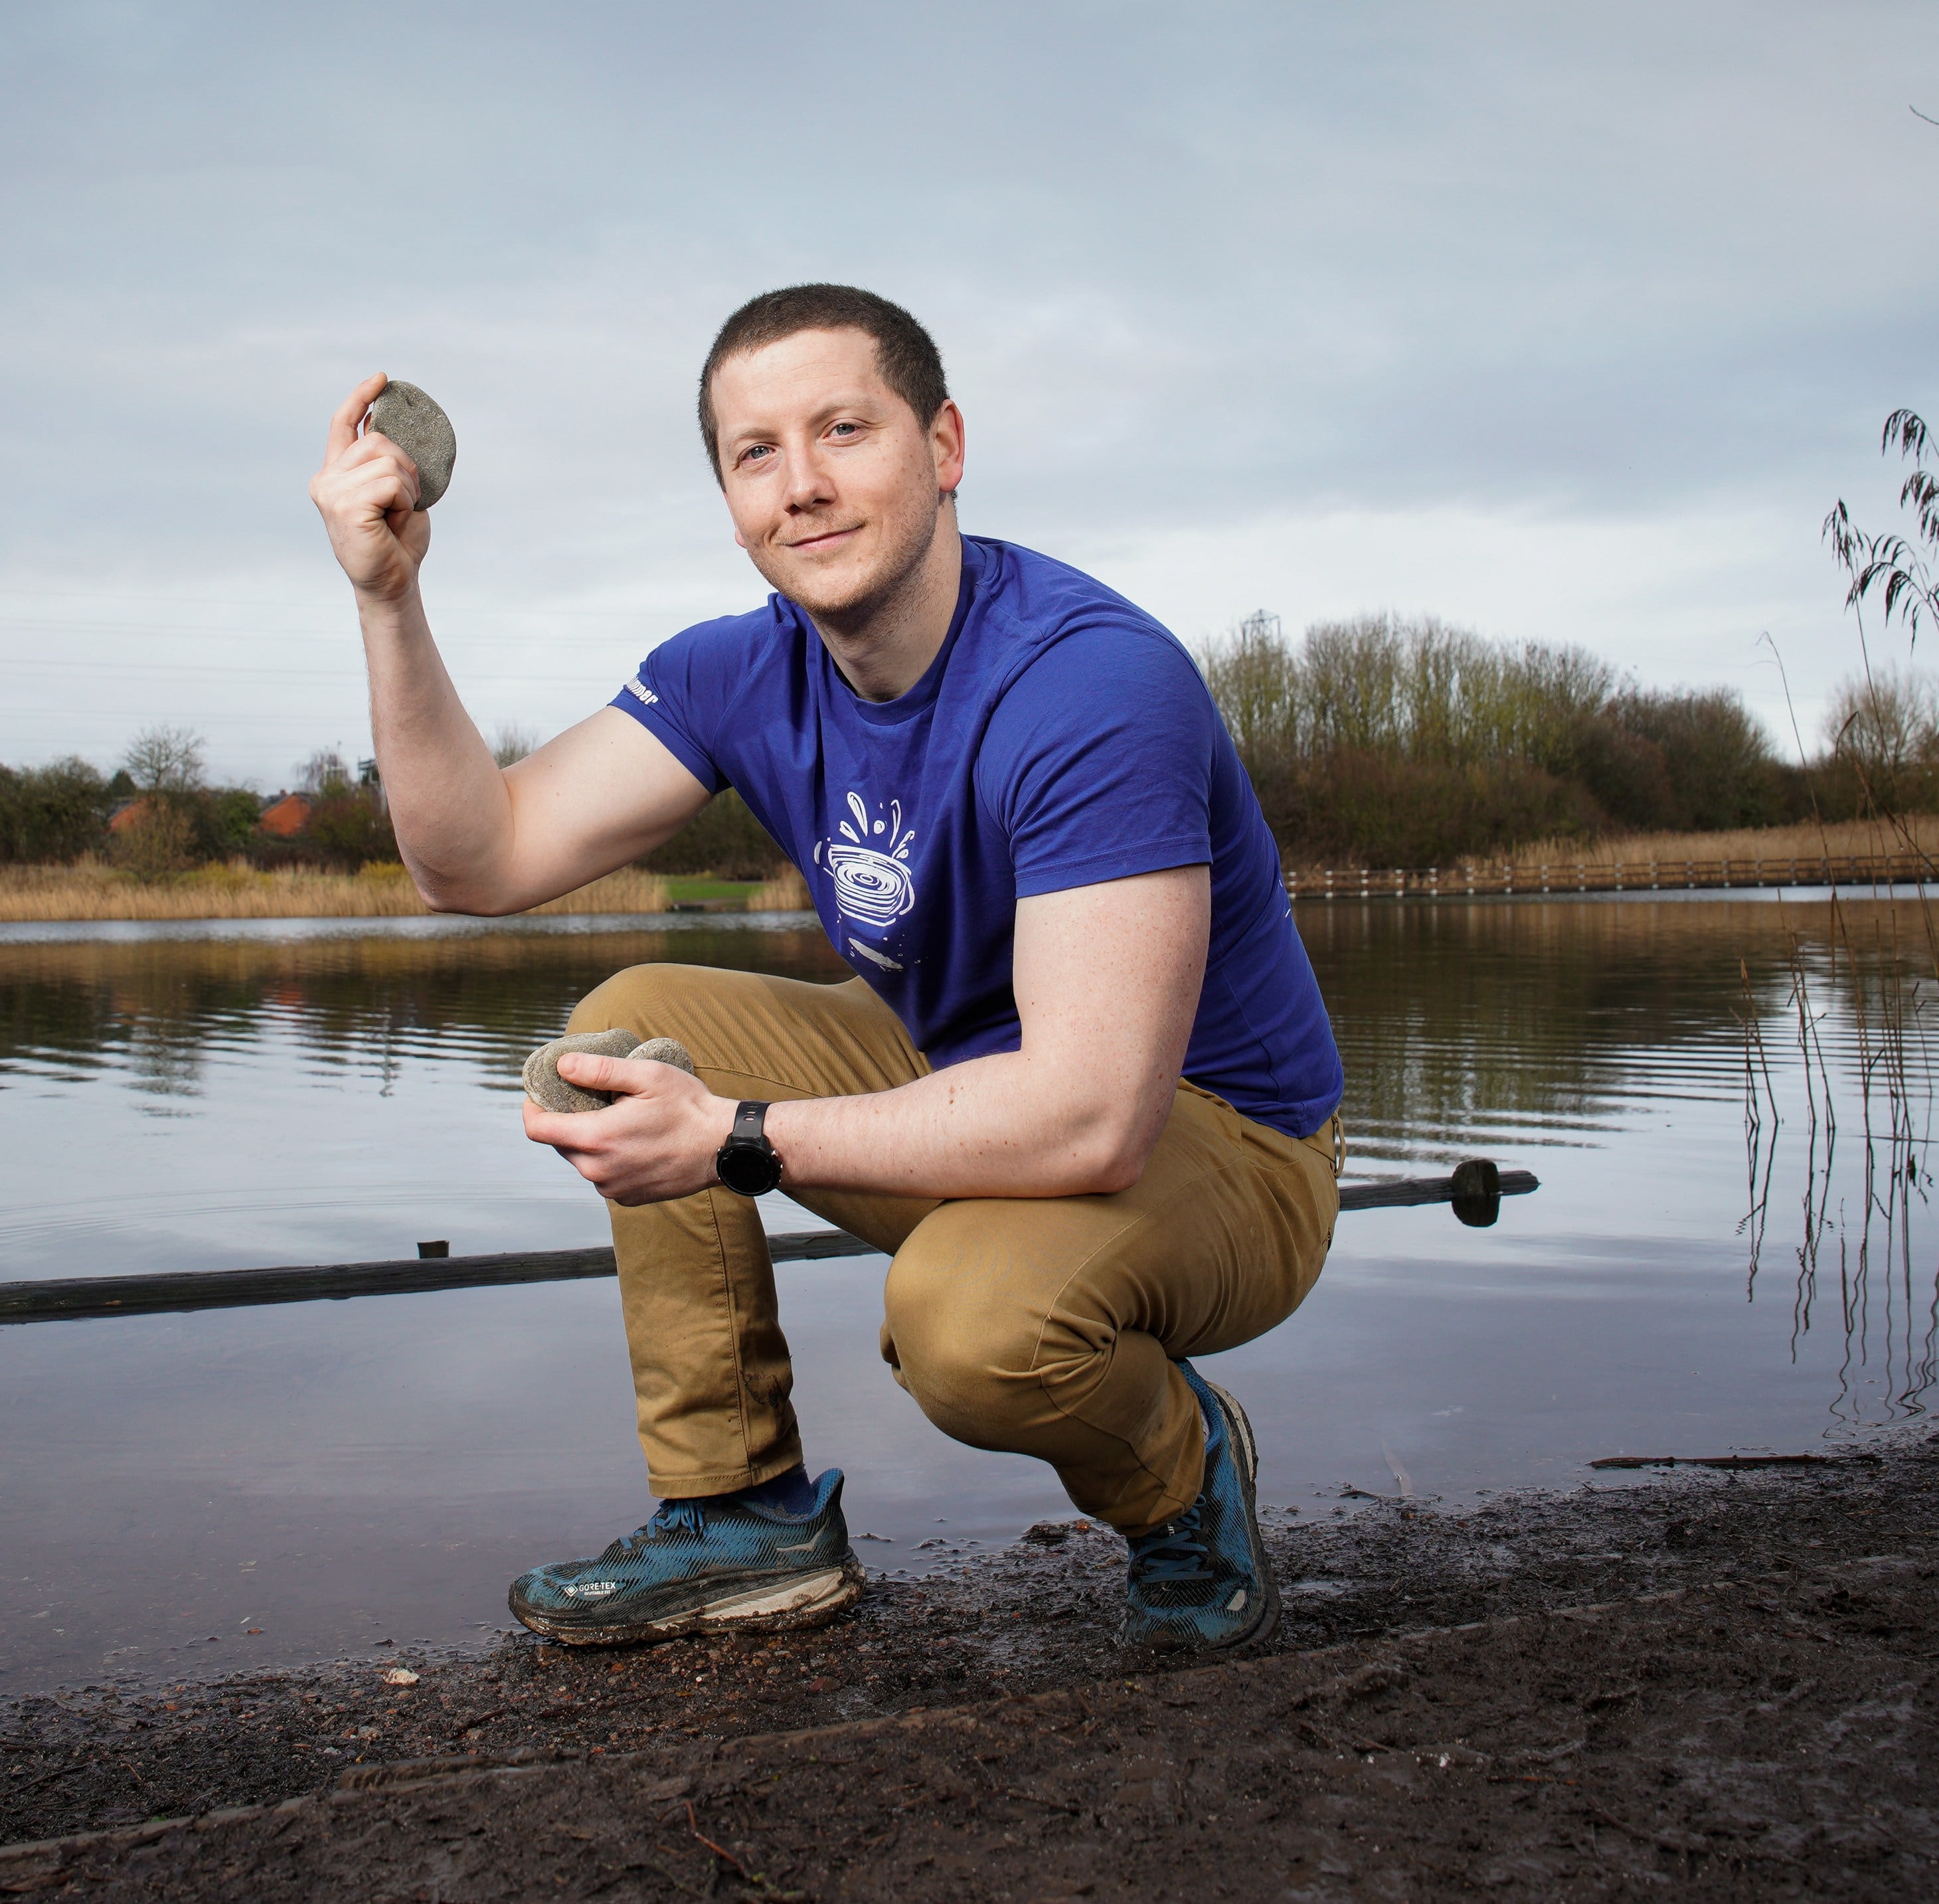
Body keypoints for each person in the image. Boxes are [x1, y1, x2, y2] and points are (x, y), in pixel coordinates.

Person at [309, 285, 1344, 1658]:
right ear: (730, 500)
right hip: (968, 1063)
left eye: (843, 429)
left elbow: (1096, 1114)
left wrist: (733, 1135)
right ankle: (742, 1512)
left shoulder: (1089, 683)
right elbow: (473, 859)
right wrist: (388, 598)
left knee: (971, 1323)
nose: (800, 483)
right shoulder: (739, 672)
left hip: (1221, 1136)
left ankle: (1183, 1470)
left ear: (944, 445)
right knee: (623, 1036)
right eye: (756, 452)